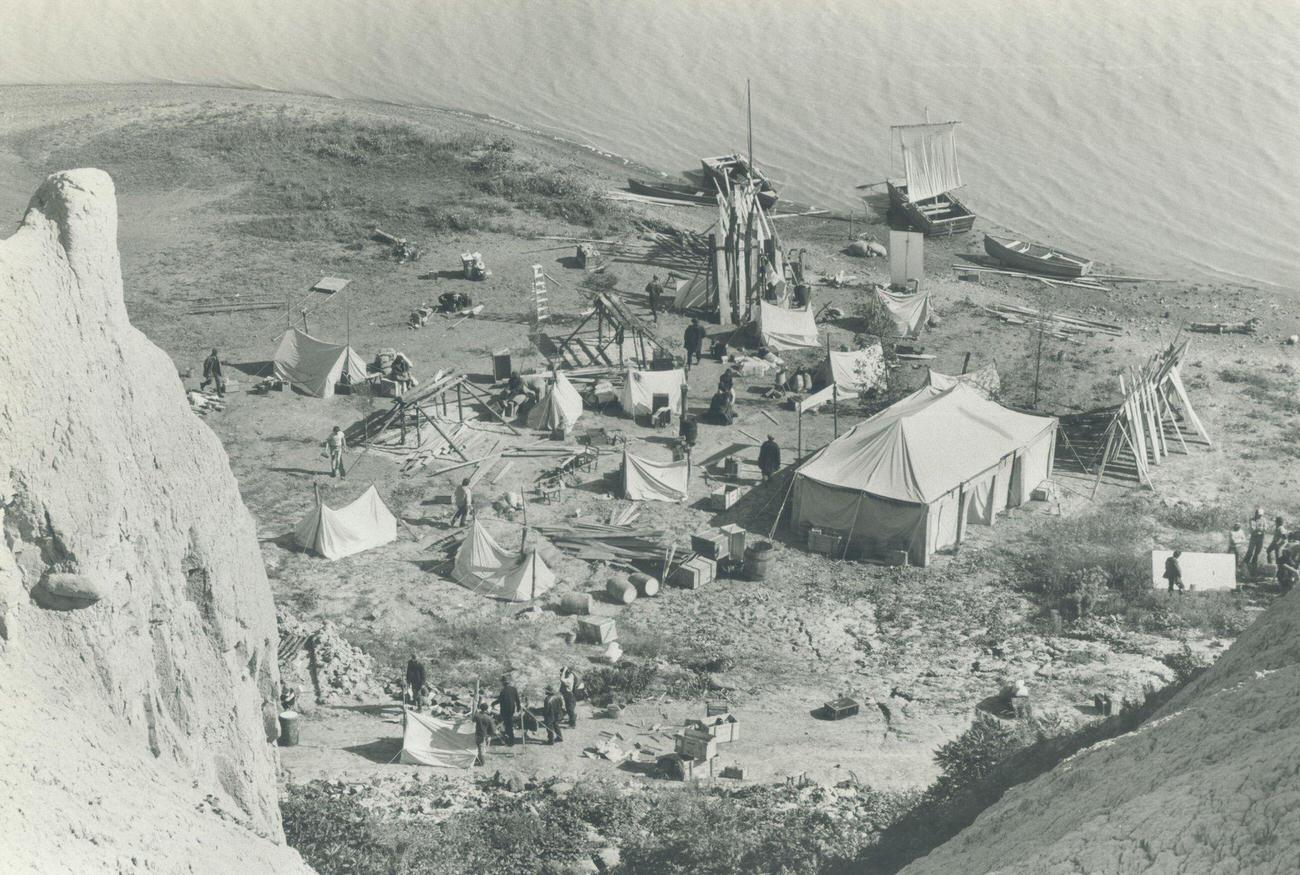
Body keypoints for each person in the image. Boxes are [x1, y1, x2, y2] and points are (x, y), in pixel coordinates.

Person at [494, 675, 521, 745]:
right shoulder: (514, 689)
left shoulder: (503, 691)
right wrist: (518, 708)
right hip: (512, 710)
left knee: (507, 726)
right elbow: (517, 700)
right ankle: (509, 739)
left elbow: (499, 700)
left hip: (505, 711)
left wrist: (492, 703)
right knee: (509, 725)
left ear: (503, 683)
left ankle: (510, 741)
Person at [1244, 508, 1268, 573]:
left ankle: (1253, 565)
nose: (1260, 516)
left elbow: (1265, 528)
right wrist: (1260, 529)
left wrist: (1260, 529)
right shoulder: (1252, 520)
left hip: (1261, 537)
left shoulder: (1263, 519)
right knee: (1250, 551)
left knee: (1257, 552)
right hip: (1254, 537)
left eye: (1261, 515)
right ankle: (1245, 564)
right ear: (1256, 513)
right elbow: (1253, 529)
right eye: (1259, 514)